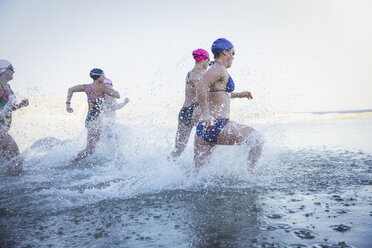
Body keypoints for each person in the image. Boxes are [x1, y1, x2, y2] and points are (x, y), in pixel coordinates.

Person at [194, 38, 264, 171]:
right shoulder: (218, 68)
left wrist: (239, 94)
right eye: (233, 53)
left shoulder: (217, 69)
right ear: (225, 52)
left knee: (196, 177)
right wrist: (206, 114)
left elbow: (219, 93)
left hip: (204, 128)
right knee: (257, 139)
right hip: (216, 124)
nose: (233, 57)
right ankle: (247, 177)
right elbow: (200, 85)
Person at [66, 68, 120, 161]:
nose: (104, 78)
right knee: (90, 150)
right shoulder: (103, 87)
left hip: (89, 118)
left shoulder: (86, 87)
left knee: (93, 147)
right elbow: (117, 96)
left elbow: (71, 89)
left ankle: (74, 161)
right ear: (99, 77)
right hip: (95, 120)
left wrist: (68, 104)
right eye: (103, 76)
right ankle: (72, 161)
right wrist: (114, 90)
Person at [169, 49, 210, 160]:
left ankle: (163, 166)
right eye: (208, 62)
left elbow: (192, 79)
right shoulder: (200, 72)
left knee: (178, 149)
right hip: (196, 109)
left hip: (185, 111)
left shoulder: (189, 72)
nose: (208, 65)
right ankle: (199, 170)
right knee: (210, 142)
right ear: (205, 59)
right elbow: (193, 79)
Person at [0, 60, 29, 175]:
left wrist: (21, 105)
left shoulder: (8, 87)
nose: (14, 71)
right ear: (3, 69)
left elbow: (10, 107)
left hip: (4, 129)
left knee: (5, 164)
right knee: (17, 161)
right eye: (11, 68)